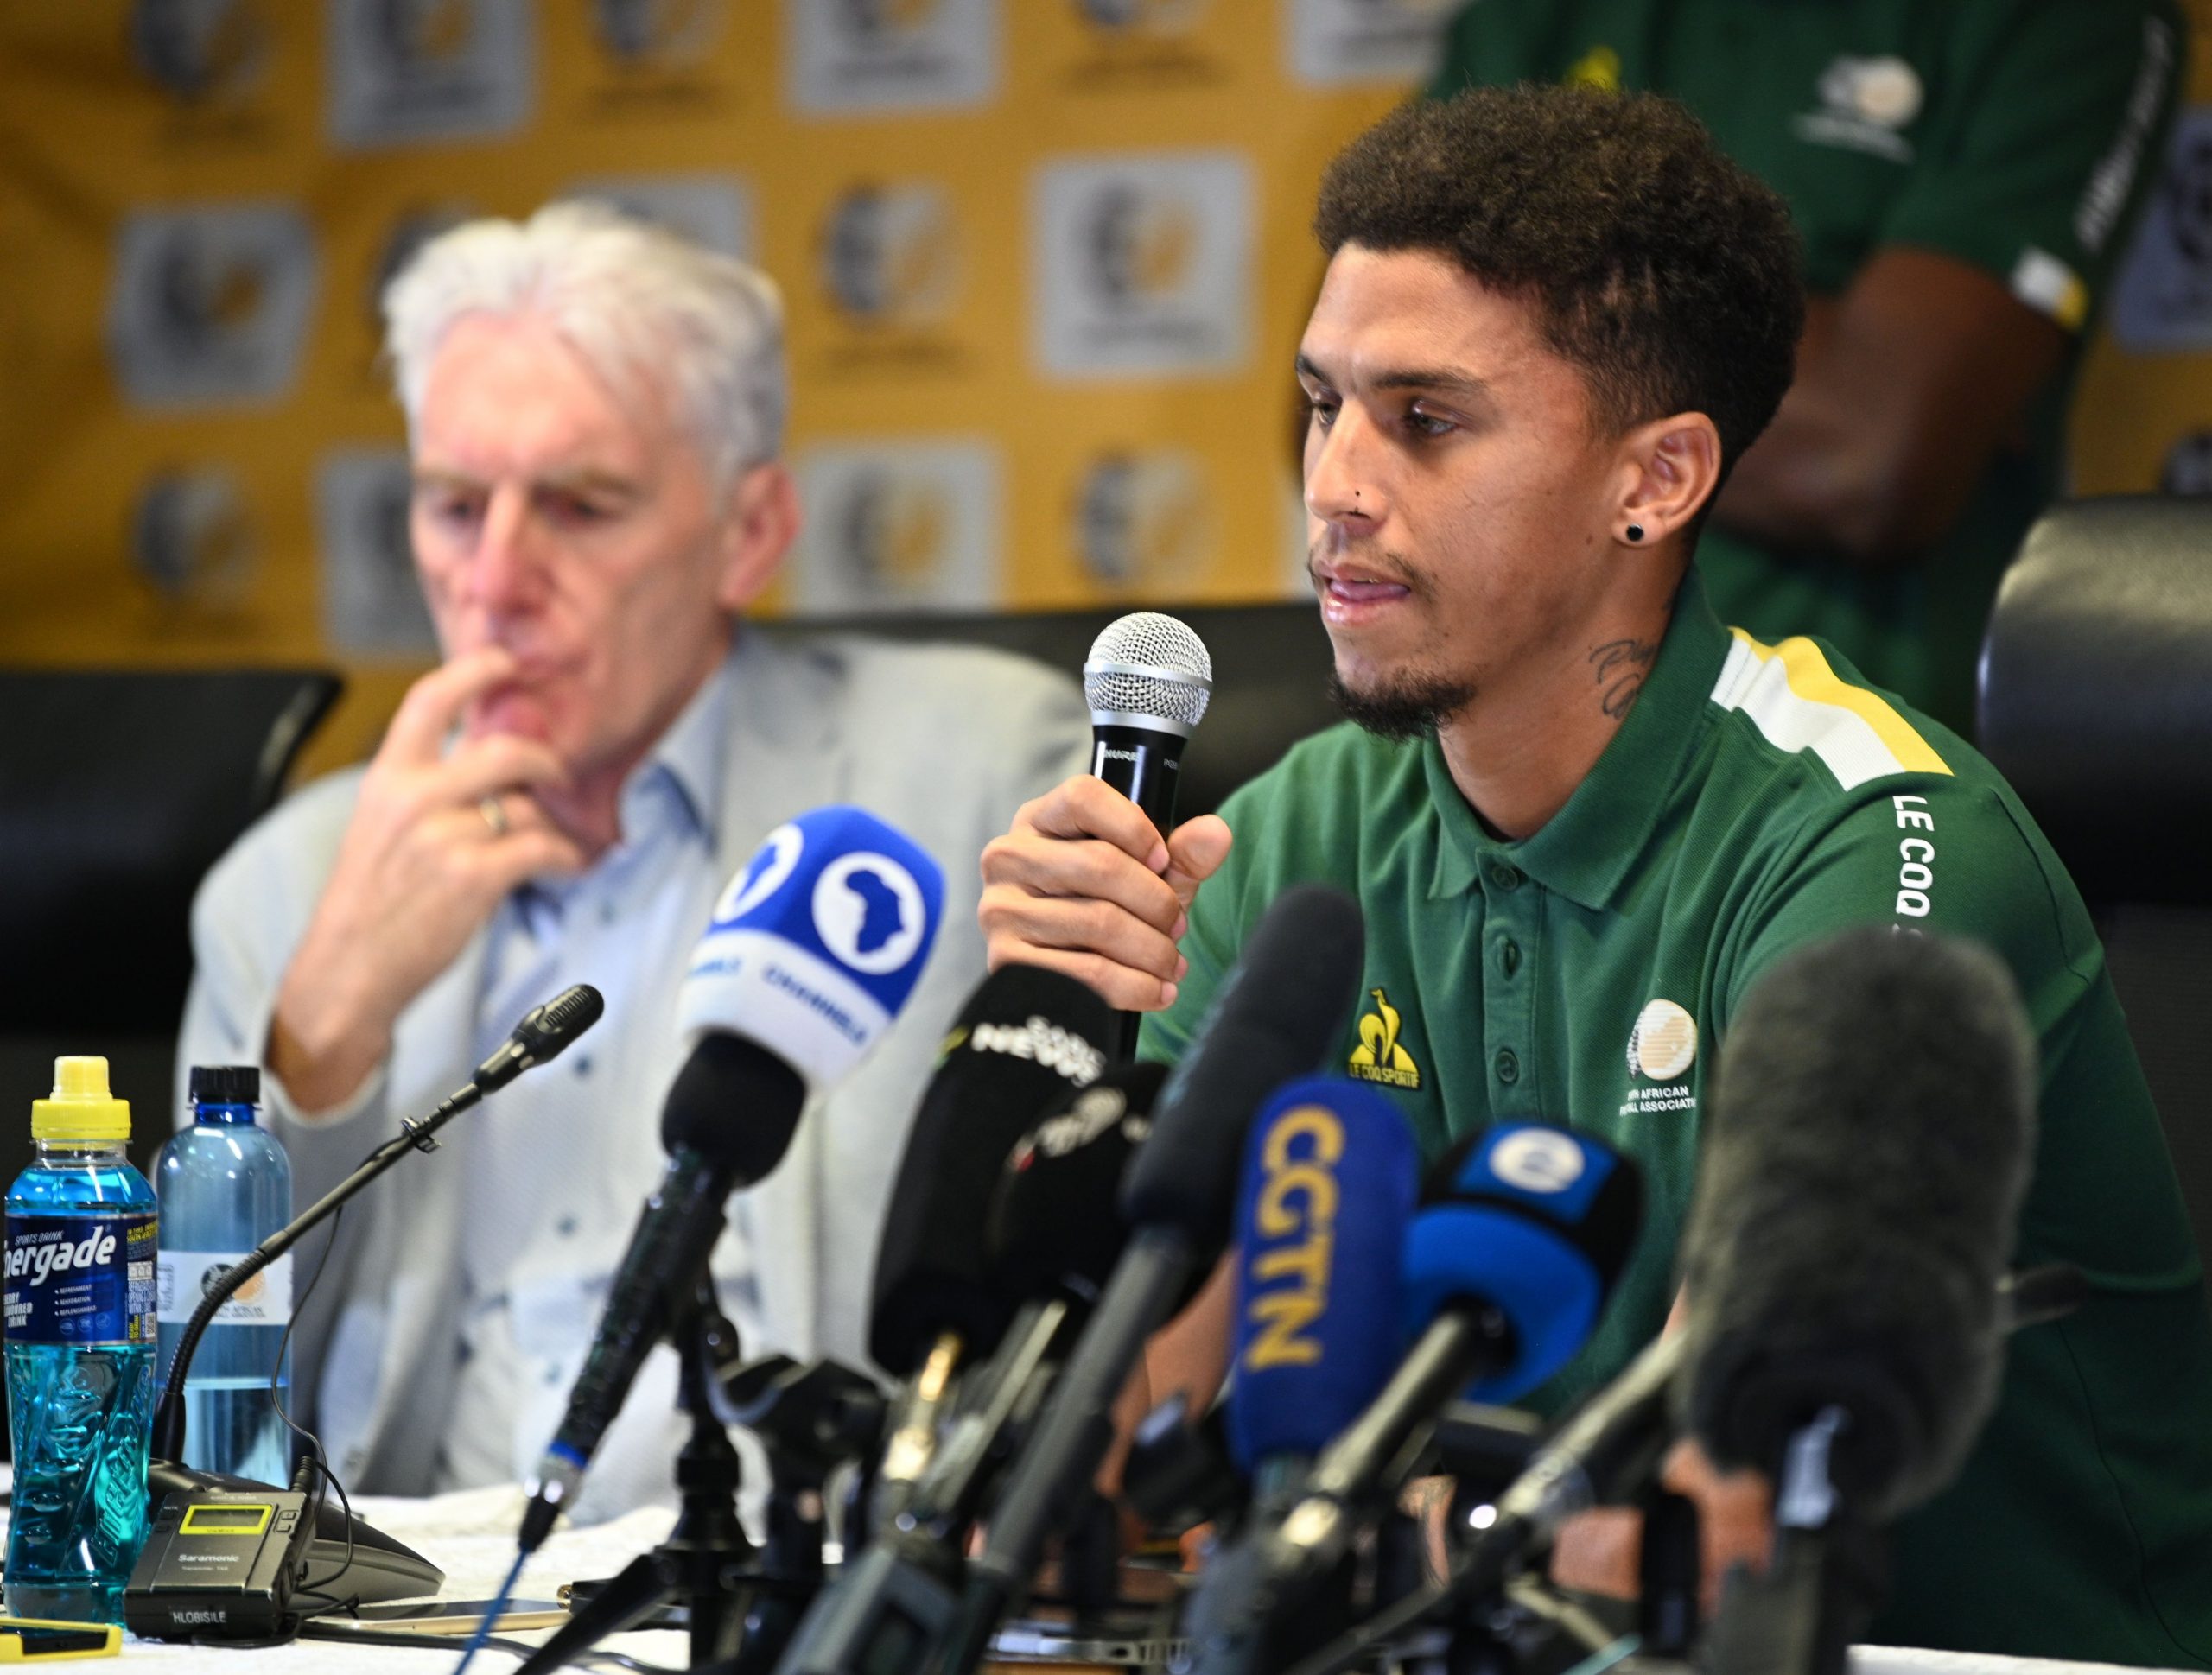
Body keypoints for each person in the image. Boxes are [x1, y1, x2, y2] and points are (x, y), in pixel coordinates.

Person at [980, 87, 2212, 1664]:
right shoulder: (1291, 838)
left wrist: (1310, 1528)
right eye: (1321, 402)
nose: (1335, 481)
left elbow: (1701, 1520)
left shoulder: (1883, 842)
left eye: (1426, 419)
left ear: (1659, 478)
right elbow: (1084, 1467)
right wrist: (1058, 1045)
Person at [179, 202, 1090, 1511]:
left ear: (749, 532)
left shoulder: (975, 779)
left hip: (787, 1582)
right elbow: (194, 1438)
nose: (495, 580)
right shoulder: (284, 887)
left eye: (580, 505)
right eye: (453, 506)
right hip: (407, 1599)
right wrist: (323, 1034)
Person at [1429, 0, 2185, 733]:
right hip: (1505, 755)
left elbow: (1864, 454)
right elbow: (1384, 372)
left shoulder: (2063, 18)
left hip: (1850, 760)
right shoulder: (1531, 15)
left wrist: (1514, 320)